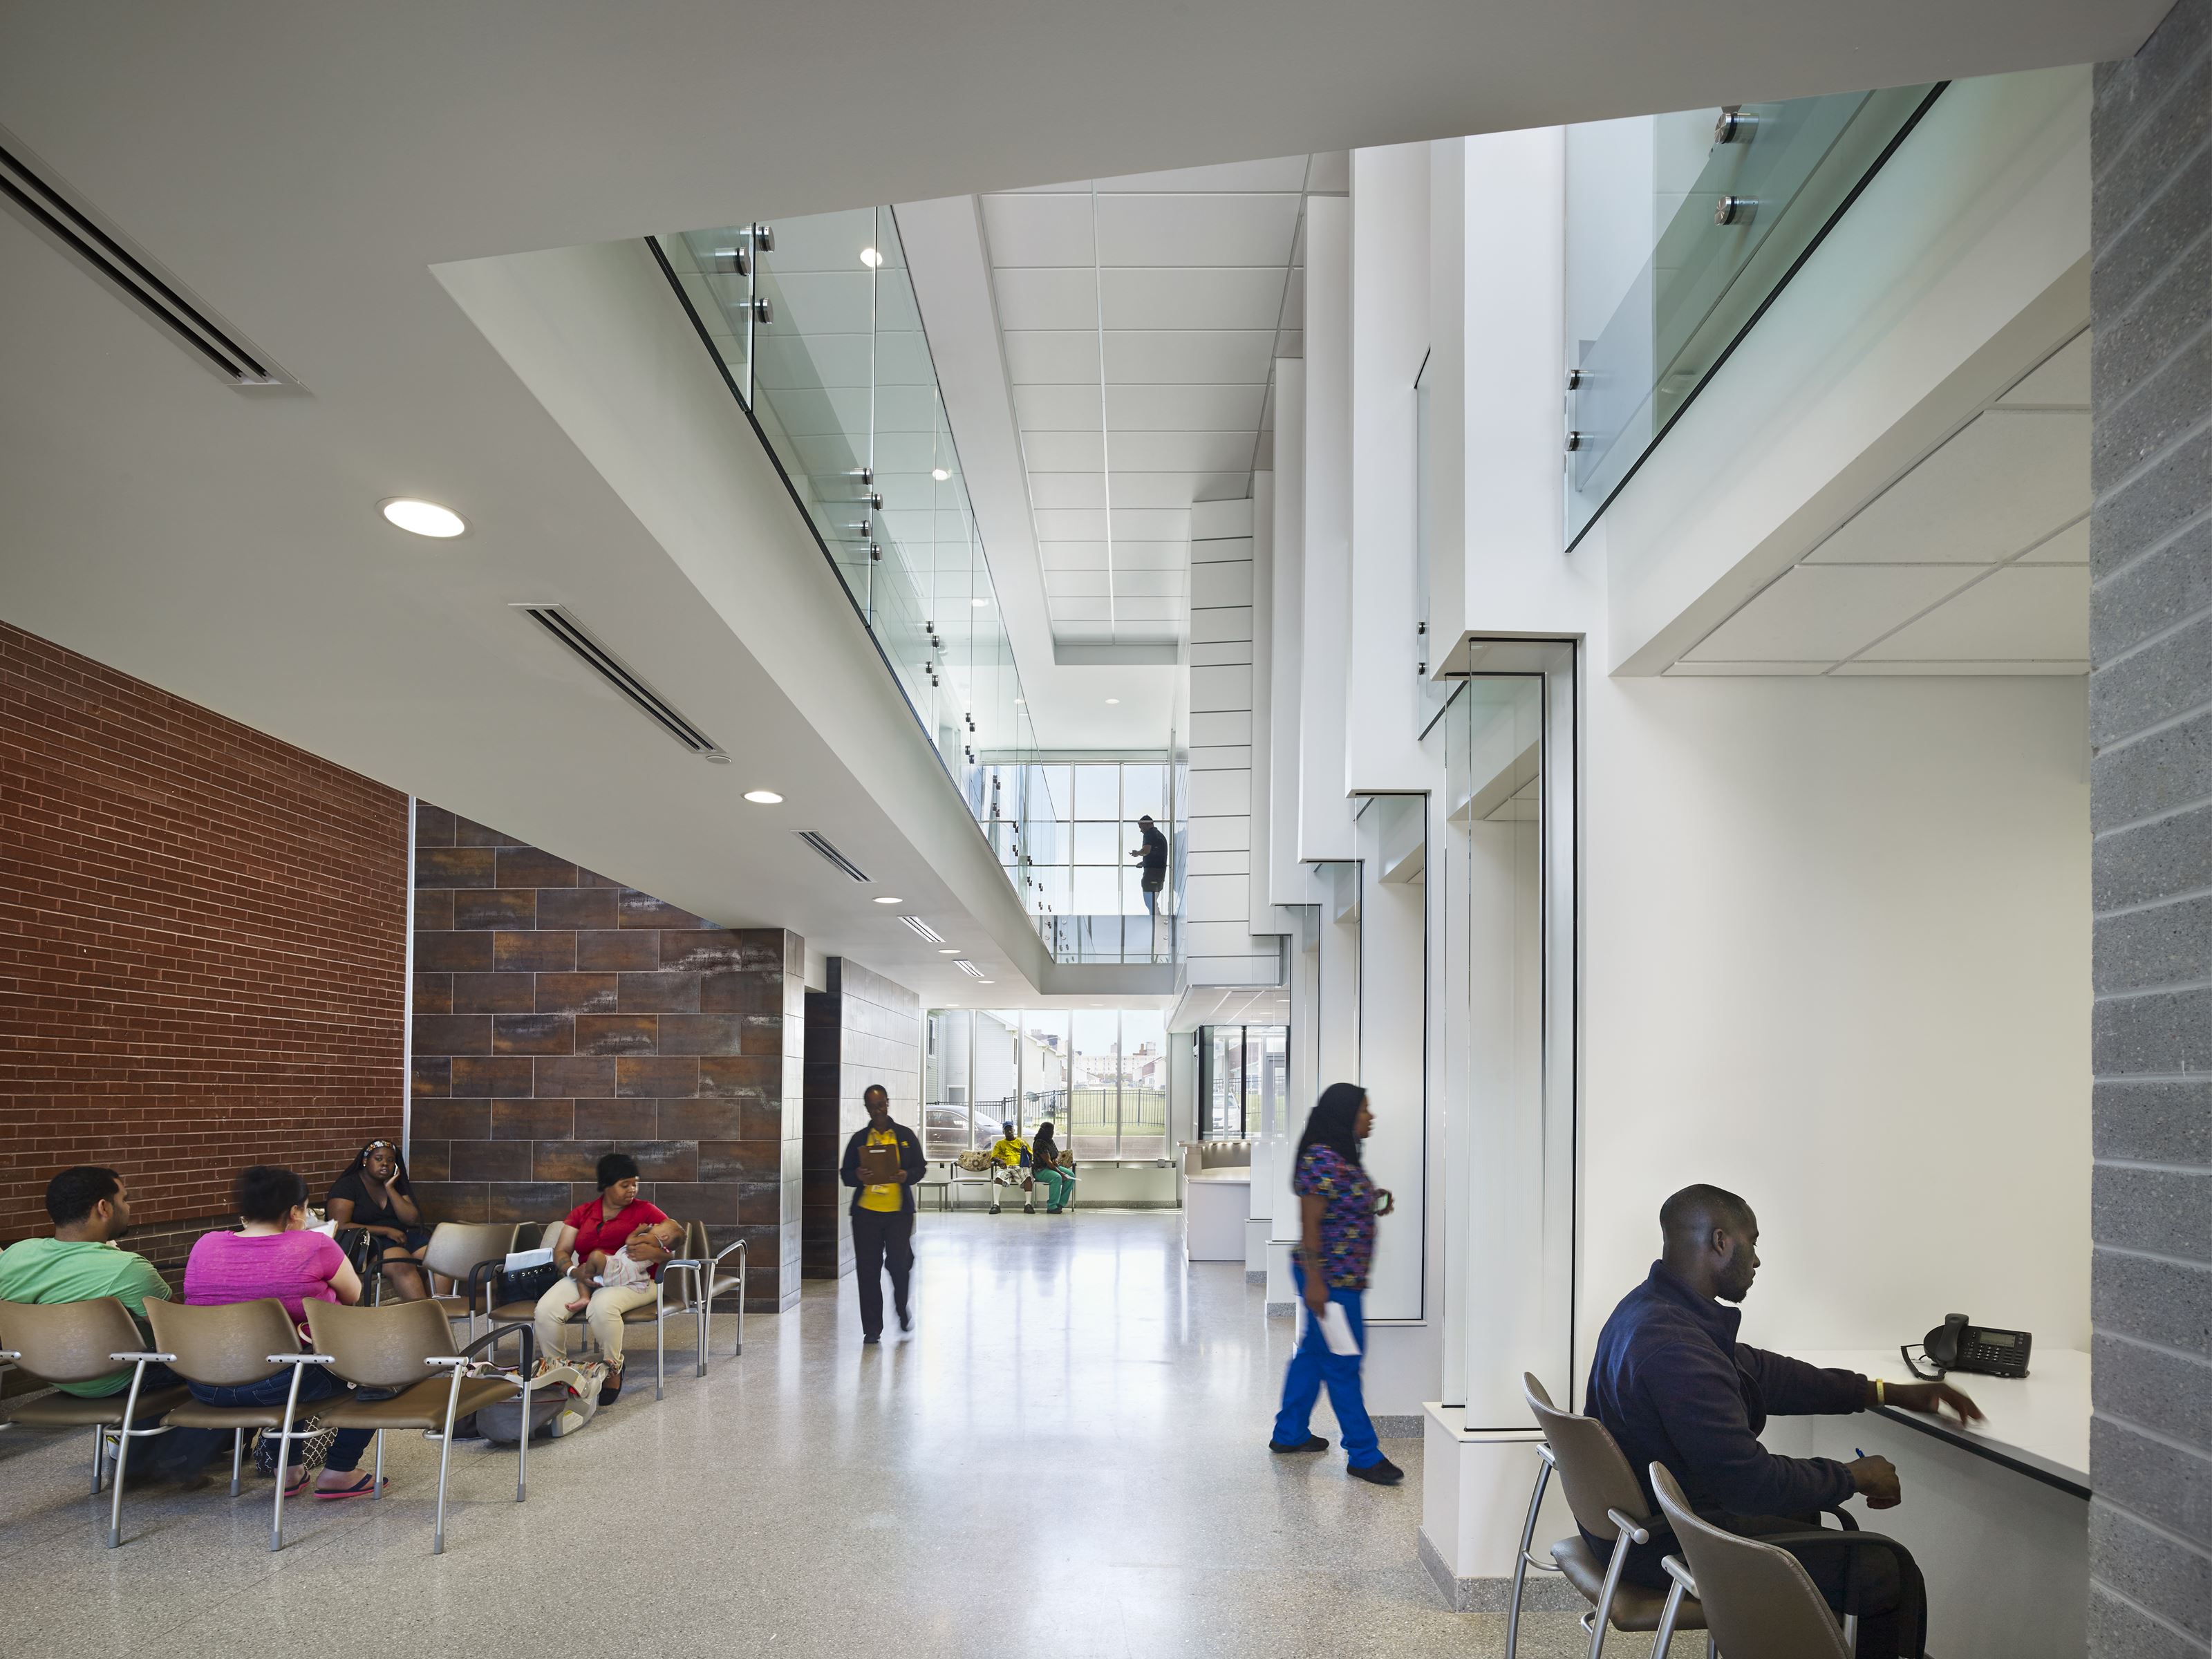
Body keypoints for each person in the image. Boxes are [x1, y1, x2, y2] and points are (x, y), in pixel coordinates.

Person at [1585, 1184, 1984, 1658]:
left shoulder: (1651, 1309)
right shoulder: (1676, 1346)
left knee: (1810, 1516)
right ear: (1720, 1242)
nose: (1757, 1260)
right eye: (1752, 1241)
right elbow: (1750, 1484)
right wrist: (1854, 1476)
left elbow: (1763, 1373)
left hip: (1641, 1525)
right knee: (1884, 1569)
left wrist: (1886, 1392)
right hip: (1668, 1542)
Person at [182, 1165, 381, 1499]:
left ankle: (288, 1470)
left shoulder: (206, 1245)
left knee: (292, 1361)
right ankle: (340, 1470)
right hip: (277, 1384)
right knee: (377, 1368)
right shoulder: (315, 1245)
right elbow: (353, 1295)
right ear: (294, 1211)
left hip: (205, 1383)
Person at [1269, 1082, 1400, 1483]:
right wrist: (1315, 1282)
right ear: (1344, 1115)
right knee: (1344, 1364)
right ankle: (1363, 1454)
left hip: (1340, 1279)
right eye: (1363, 1110)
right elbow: (1309, 1224)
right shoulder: (1321, 1158)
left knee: (1313, 1356)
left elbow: (1339, 1205)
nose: (1370, 1117)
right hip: (1330, 1280)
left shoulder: (1339, 1157)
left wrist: (1372, 1199)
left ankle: (1289, 1433)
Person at [0, 1167, 175, 1399]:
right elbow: (181, 1332)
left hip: (55, 1375)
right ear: (104, 1208)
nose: (128, 1207)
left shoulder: (14, 1255)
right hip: (125, 1380)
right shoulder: (127, 1268)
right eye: (124, 1199)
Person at [533, 1152, 673, 1405]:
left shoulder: (646, 1211)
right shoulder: (583, 1213)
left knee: (601, 1307)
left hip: (636, 1280)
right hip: (588, 1275)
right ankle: (558, 1373)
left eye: (635, 1183)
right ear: (606, 1185)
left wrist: (653, 1253)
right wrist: (573, 1271)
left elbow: (672, 1246)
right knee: (546, 1311)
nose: (632, 1190)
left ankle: (613, 1368)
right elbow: (562, 1251)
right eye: (625, 1184)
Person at [839, 1084, 926, 1344]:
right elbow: (846, 1174)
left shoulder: (904, 1136)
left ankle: (901, 1308)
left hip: (898, 1214)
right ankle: (872, 1329)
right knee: (868, 1271)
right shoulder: (859, 1139)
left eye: (881, 1105)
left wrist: (906, 1175)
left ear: (888, 1103)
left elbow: (920, 1168)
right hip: (866, 1215)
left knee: (900, 1264)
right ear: (866, 1108)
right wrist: (857, 1175)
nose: (877, 1111)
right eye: (872, 1107)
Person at [324, 1137, 431, 1301]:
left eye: (390, 1161)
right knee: (401, 1261)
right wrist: (385, 1231)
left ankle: (441, 1310)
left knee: (439, 1259)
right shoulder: (348, 1185)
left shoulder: (395, 1184)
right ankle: (424, 1313)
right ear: (365, 1161)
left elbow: (410, 1219)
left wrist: (390, 1189)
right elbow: (340, 1226)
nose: (385, 1164)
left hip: (402, 1236)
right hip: (368, 1242)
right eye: (379, 1159)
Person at [564, 1217, 684, 1310]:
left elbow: (630, 1242)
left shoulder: (652, 1239)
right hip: (624, 1273)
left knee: (594, 1258)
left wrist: (638, 1231)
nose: (656, 1224)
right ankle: (587, 1292)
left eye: (660, 1225)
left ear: (664, 1236)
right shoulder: (656, 1245)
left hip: (620, 1269)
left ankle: (586, 1290)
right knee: (585, 1269)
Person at [1029, 1122, 1077, 1214]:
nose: (1052, 1133)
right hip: (1041, 1170)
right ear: (1045, 1132)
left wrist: (1057, 1159)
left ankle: (1060, 1204)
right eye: (1051, 1131)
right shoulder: (1040, 1143)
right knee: (1057, 1177)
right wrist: (1061, 1173)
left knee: (1071, 1176)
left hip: (1052, 1167)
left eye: (1053, 1131)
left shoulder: (1050, 1140)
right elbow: (1048, 1163)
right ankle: (1052, 1206)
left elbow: (1058, 1153)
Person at [1130, 814, 1168, 915]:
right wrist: (1144, 863)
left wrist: (1137, 853)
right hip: (1159, 876)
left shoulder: (1149, 834)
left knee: (1150, 902)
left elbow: (1146, 851)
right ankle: (1157, 919)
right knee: (1152, 902)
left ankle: (1156, 920)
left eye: (1141, 827)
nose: (1141, 830)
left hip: (1152, 875)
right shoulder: (1160, 836)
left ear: (1147, 824)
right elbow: (1157, 855)